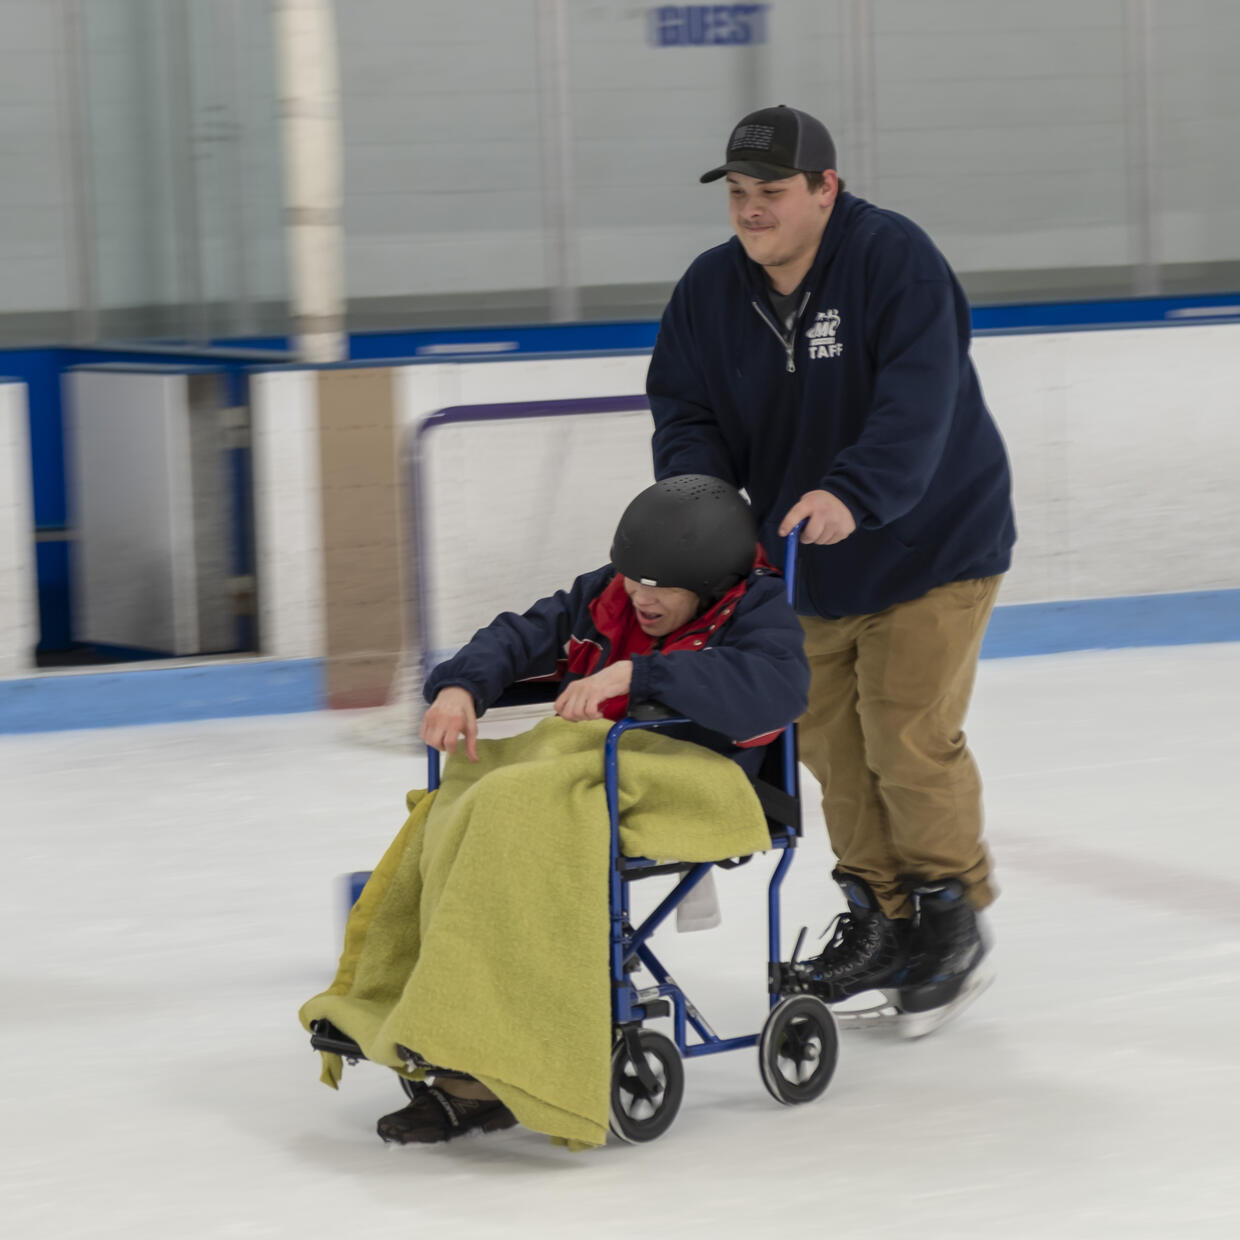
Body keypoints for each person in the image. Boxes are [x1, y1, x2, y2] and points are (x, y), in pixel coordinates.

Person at [646, 105, 1016, 1037]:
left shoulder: (893, 261)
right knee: (828, 747)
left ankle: (949, 918)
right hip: (802, 562)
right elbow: (685, 409)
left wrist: (855, 490)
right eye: (737, 193)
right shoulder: (709, 292)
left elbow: (918, 400)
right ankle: (881, 917)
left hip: (931, 543)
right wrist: (702, 513)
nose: (751, 211)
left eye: (771, 192)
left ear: (825, 189)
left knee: (906, 734)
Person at [369, 474, 809, 1143]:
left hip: (702, 779)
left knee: (510, 808)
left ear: (712, 584)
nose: (642, 597)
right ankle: (436, 1017)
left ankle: (498, 1064)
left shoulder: (757, 608)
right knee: (457, 799)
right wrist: (461, 686)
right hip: (598, 764)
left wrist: (640, 675)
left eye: (661, 587)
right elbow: (521, 635)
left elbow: (776, 691)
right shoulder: (607, 595)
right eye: (635, 579)